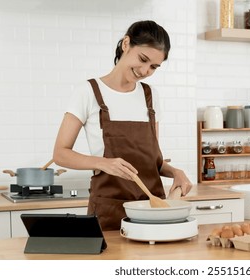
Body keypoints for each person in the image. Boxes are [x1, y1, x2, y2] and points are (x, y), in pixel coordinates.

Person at [53, 20, 192, 230]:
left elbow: (152, 162)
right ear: (126, 44)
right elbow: (60, 154)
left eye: (154, 67)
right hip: (109, 211)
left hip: (152, 211)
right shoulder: (88, 91)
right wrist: (103, 163)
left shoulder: (151, 96)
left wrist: (175, 172)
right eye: (143, 59)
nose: (145, 70)